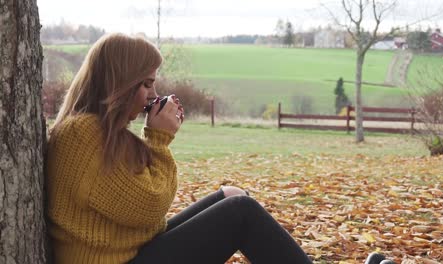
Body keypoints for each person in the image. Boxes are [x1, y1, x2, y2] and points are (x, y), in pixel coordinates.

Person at [46, 33, 312, 264]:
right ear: (120, 84)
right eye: (147, 84)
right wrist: (158, 139)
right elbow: (150, 205)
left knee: (232, 195)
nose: (153, 95)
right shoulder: (81, 134)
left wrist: (153, 140)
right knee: (241, 213)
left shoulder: (98, 131)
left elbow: (140, 207)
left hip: (133, 253)